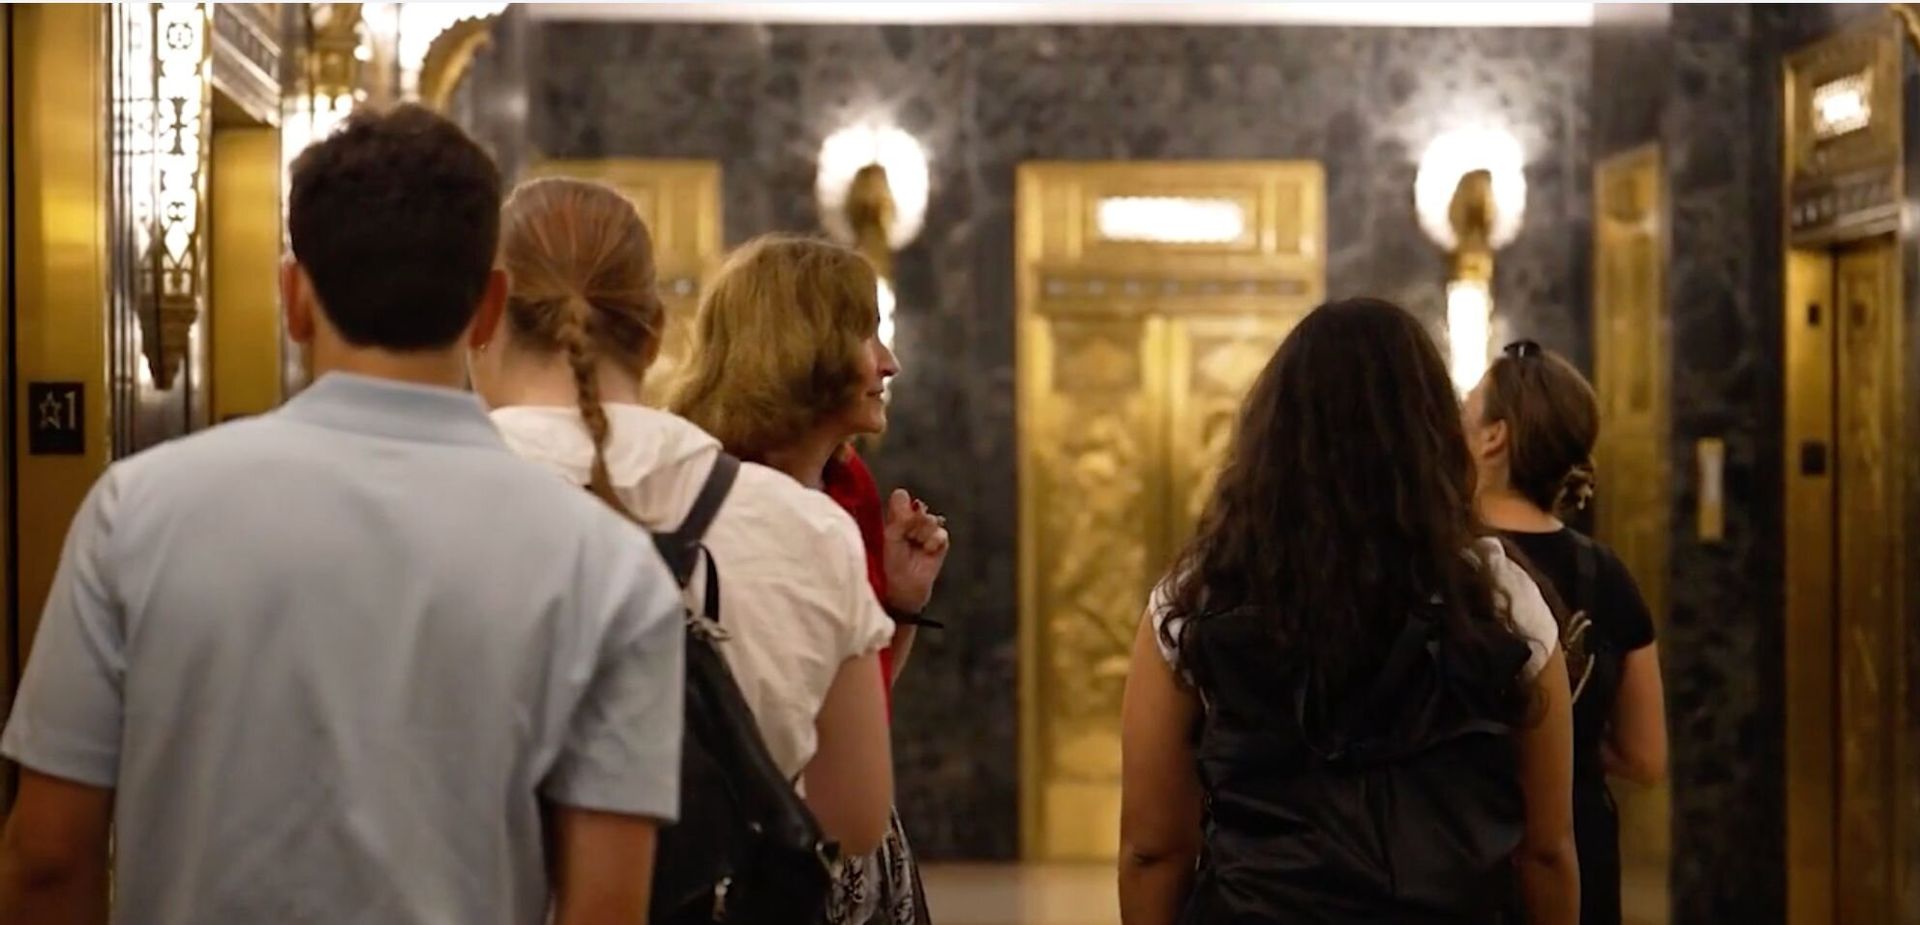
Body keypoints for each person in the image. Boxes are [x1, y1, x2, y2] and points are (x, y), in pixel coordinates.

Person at [0, 106, 683, 925]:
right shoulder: (607, 566)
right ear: (489, 307)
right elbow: (605, 908)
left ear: (294, 296)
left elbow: (46, 858)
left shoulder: (135, 511)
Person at [1119, 297, 1580, 925]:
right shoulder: (1501, 600)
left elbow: (1154, 849)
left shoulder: (1200, 595)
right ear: (1432, 435)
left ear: (1272, 436)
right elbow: (1545, 850)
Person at [471, 176, 896, 856]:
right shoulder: (806, 529)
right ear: (653, 333)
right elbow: (852, 821)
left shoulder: (413, 507)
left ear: (482, 317)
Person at [671, 234, 949, 925]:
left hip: (846, 848)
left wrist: (897, 602)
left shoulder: (846, 489)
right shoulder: (708, 498)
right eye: (867, 336)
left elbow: (852, 705)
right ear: (805, 347)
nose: (891, 363)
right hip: (759, 857)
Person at [1464, 339, 1668, 925]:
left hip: (1461, 853)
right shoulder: (1608, 577)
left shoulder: (1437, 563)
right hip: (1579, 855)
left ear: (1493, 437)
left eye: (1468, 404)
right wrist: (1562, 746)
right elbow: (1645, 756)